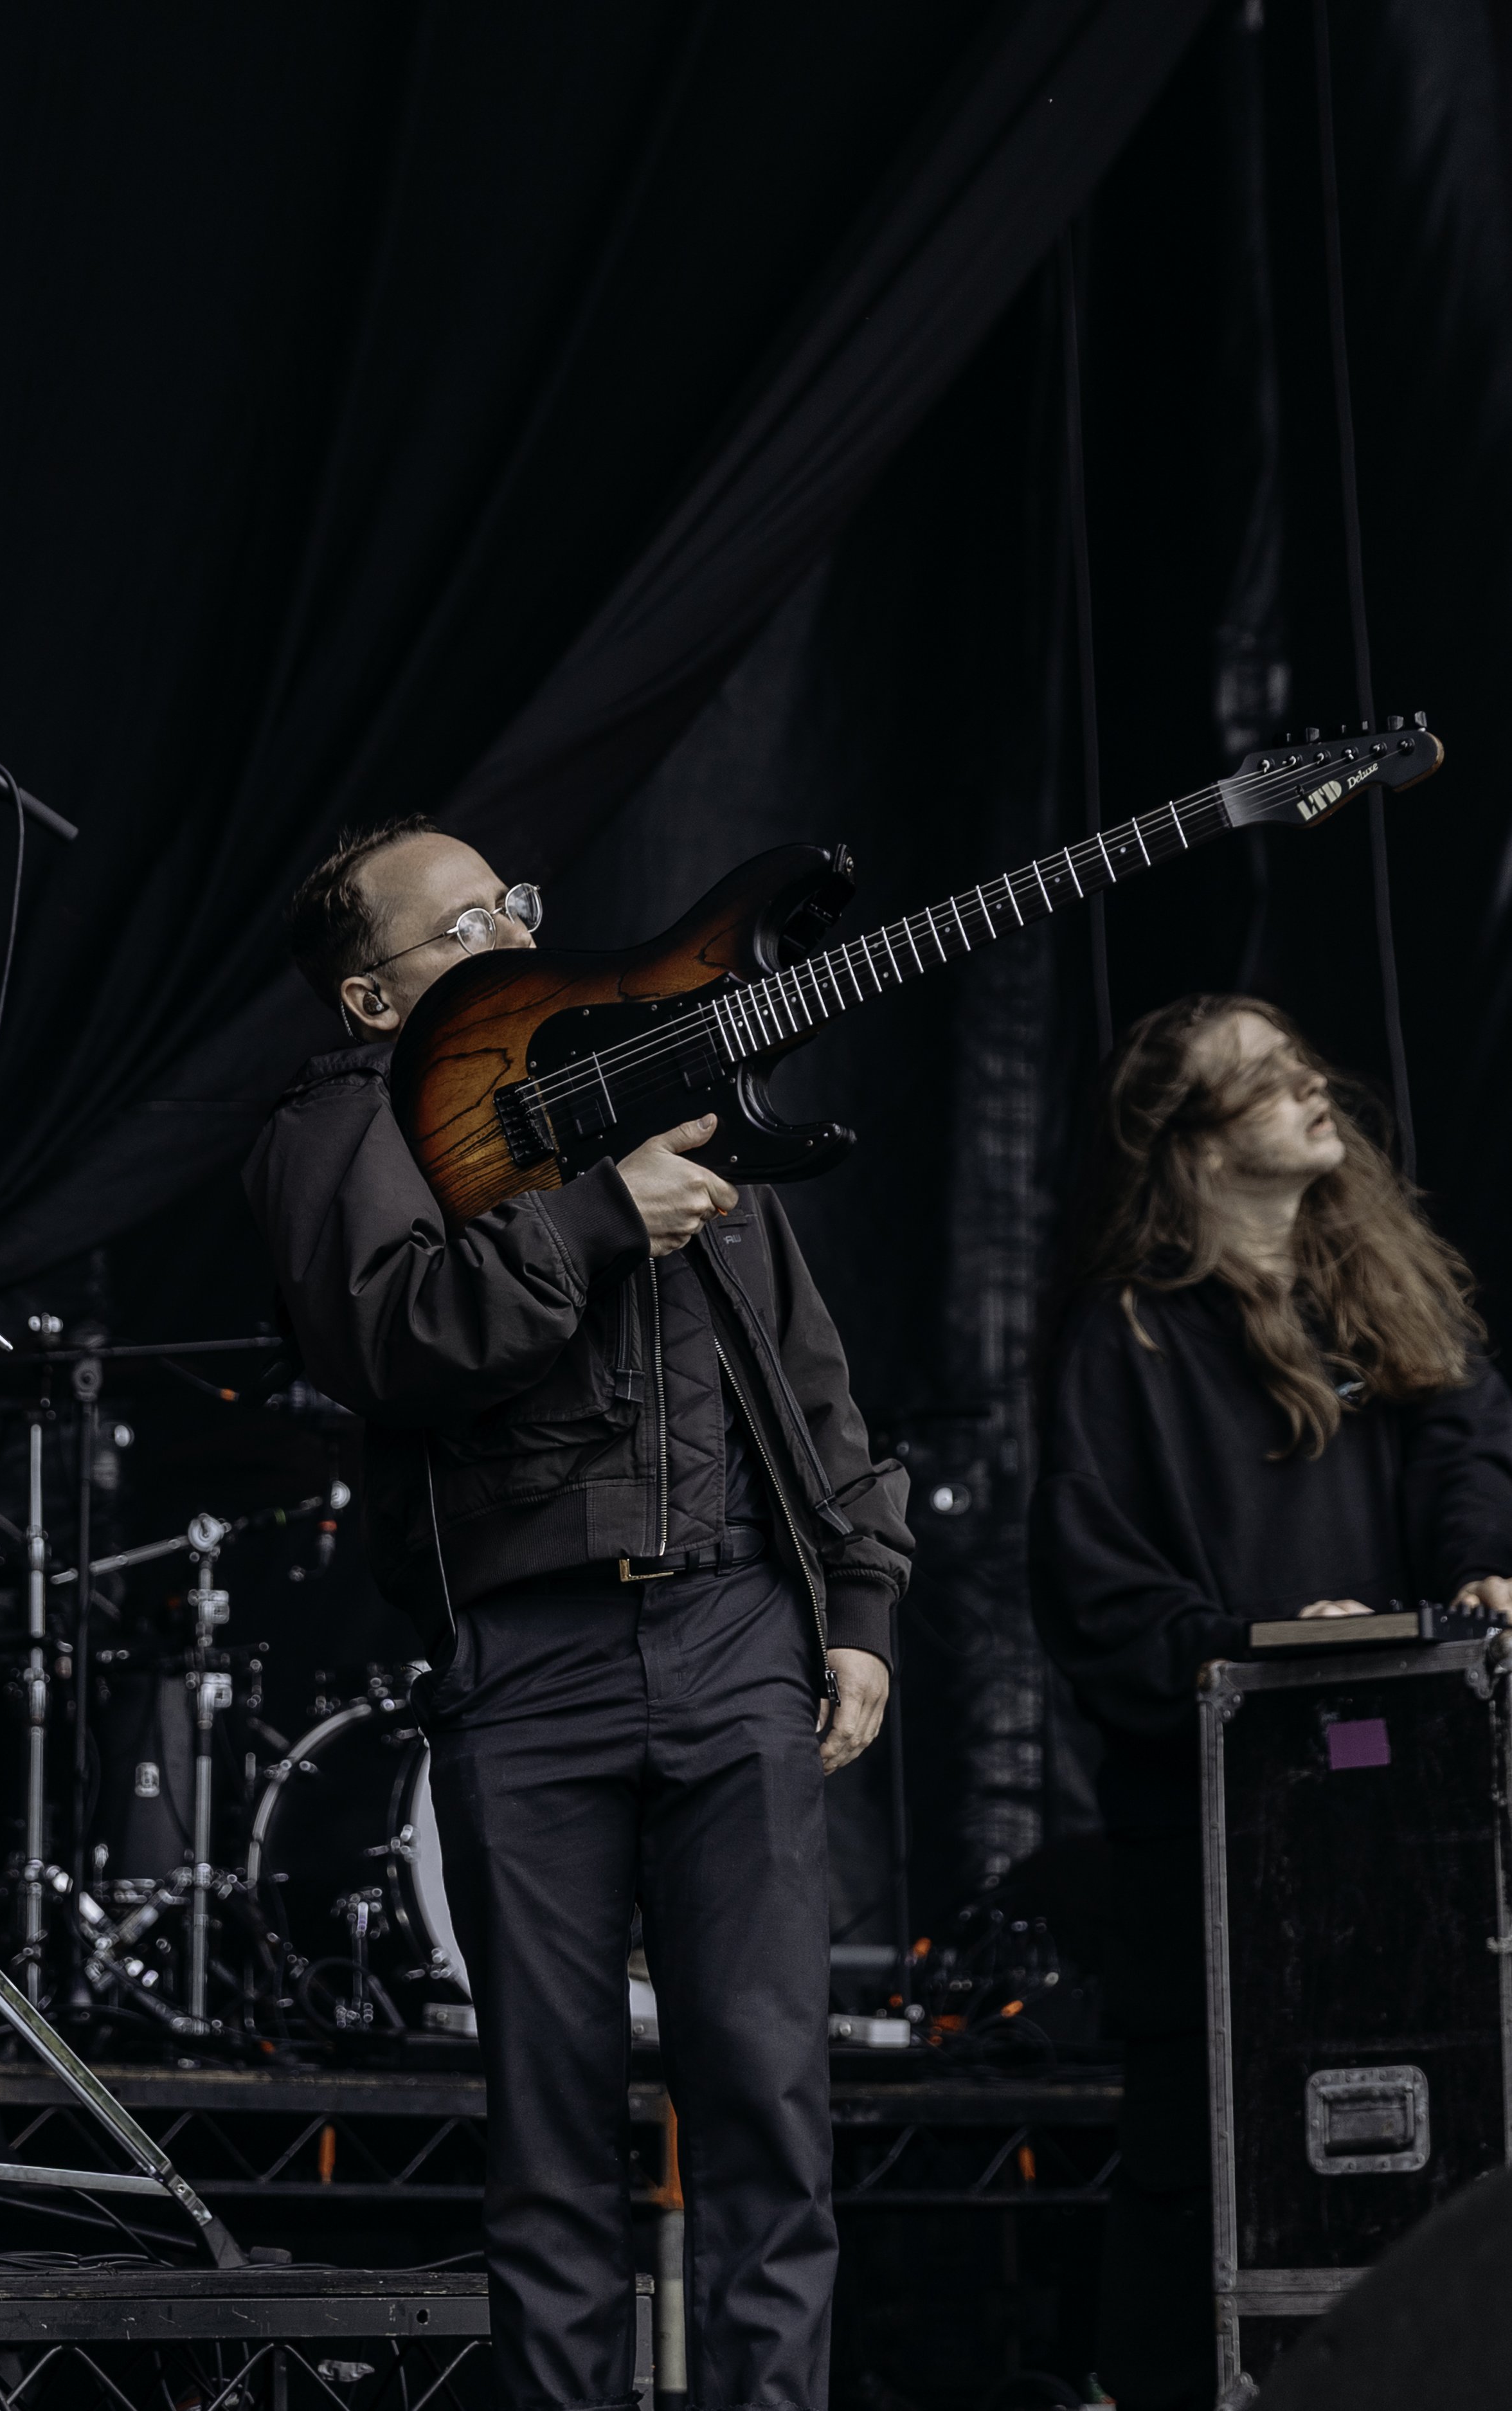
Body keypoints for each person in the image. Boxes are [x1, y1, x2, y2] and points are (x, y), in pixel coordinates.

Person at [244, 815, 912, 2410]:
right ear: (368, 998)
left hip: (737, 1631)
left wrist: (861, 1598)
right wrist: (595, 1217)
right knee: (549, 2130)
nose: (511, 930)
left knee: (765, 2104)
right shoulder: (342, 1128)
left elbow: (804, 1369)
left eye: (513, 902)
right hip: (525, 1658)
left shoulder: (646, 1078)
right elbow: (386, 1335)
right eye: (465, 923)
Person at [1029, 994, 1512, 2411]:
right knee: (1214, 2161)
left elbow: (1460, 1441)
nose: (1312, 1089)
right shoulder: (1119, 1337)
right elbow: (1091, 1591)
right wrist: (1247, 1647)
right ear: (1187, 1143)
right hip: (1219, 1843)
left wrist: (1476, 1572)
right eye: (1263, 1080)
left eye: (1304, 1068)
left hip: (1406, 1823)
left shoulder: (1377, 1283)